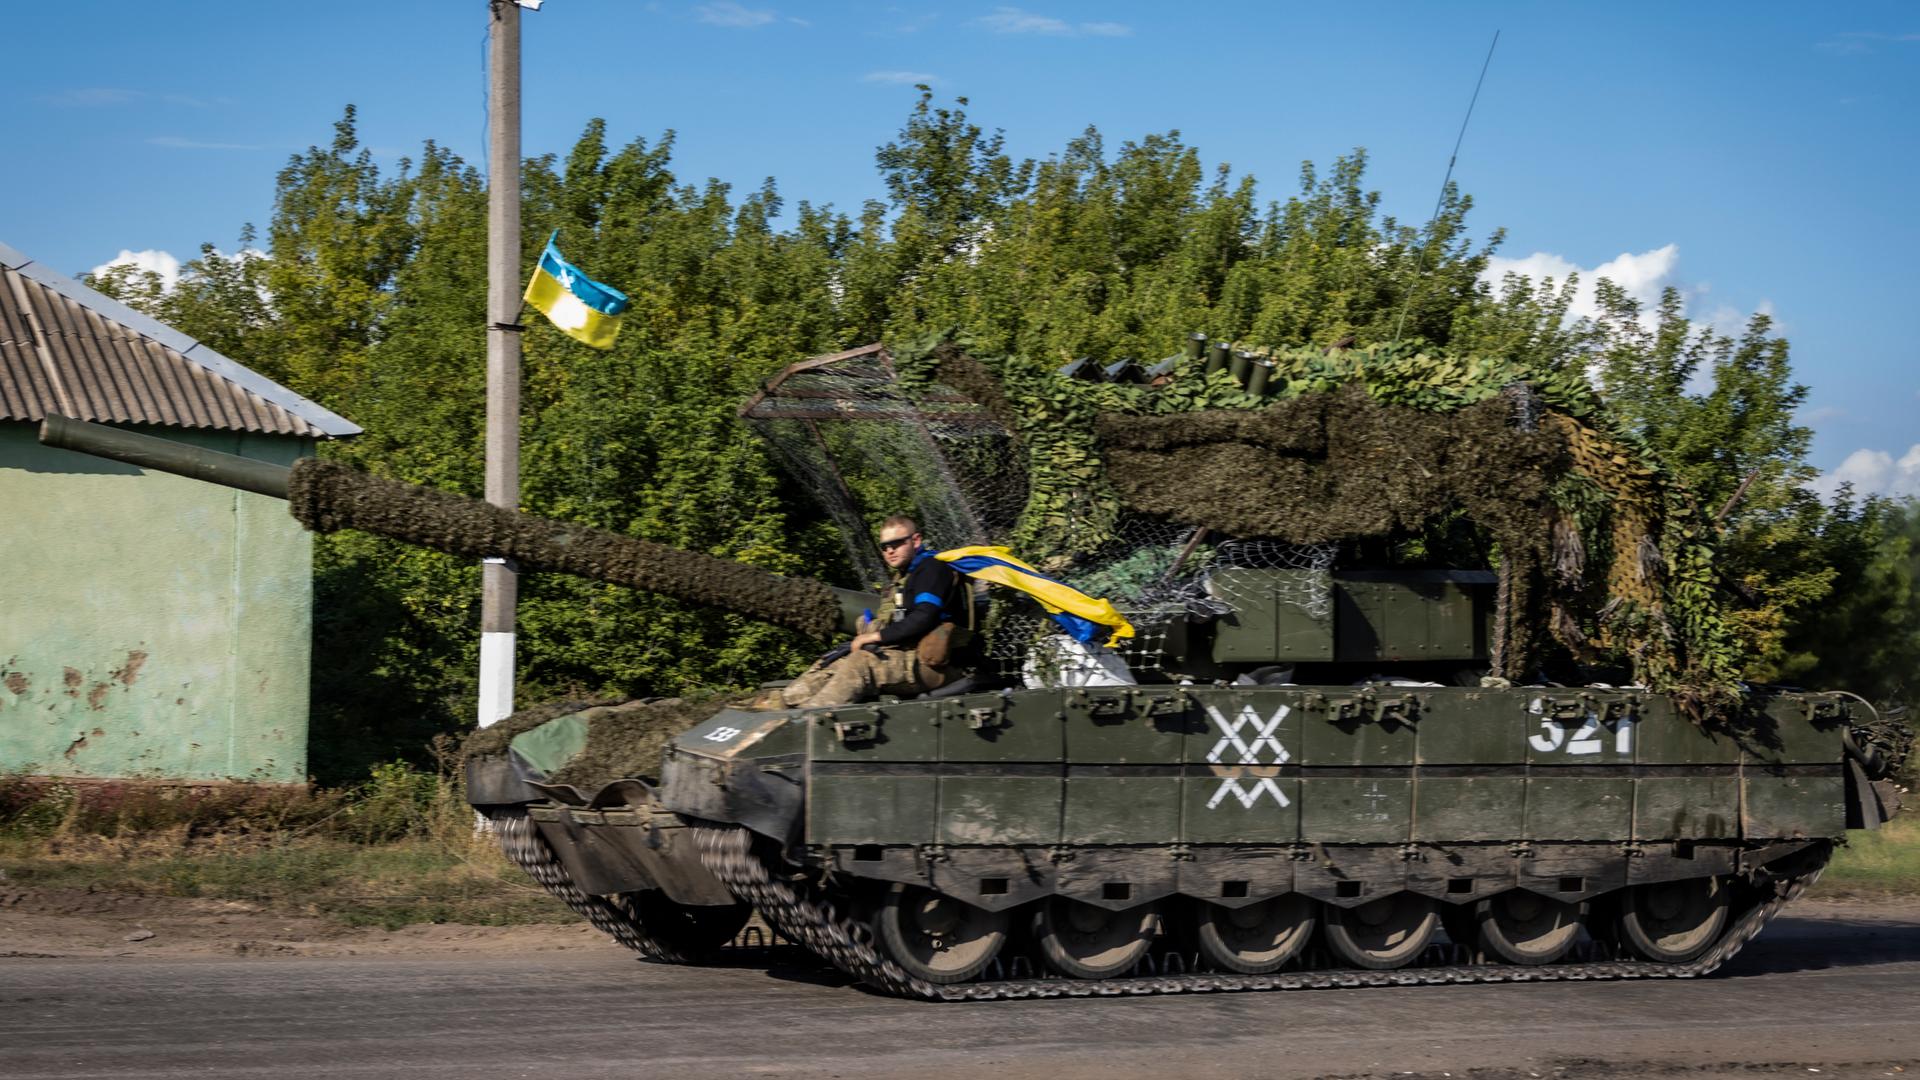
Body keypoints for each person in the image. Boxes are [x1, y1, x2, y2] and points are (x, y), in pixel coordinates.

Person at [780, 515, 971, 708]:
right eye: (884, 546)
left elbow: (924, 616)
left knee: (862, 664)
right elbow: (901, 621)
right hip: (906, 657)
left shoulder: (932, 569)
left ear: (916, 540)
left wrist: (874, 637)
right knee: (830, 664)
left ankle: (808, 721)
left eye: (896, 543)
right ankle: (786, 706)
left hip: (936, 667)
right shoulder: (904, 577)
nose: (890, 550)